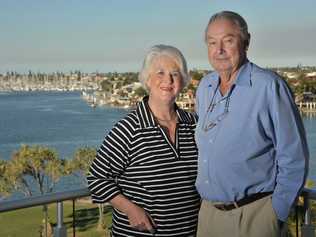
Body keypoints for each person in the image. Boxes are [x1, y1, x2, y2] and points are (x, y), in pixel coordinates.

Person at [195, 11, 309, 237]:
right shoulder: (205, 88)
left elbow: (294, 156)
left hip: (254, 216)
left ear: (246, 42)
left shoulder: (268, 87)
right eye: (212, 42)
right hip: (208, 215)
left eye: (228, 41)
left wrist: (276, 212)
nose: (219, 50)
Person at [87, 45, 200, 236]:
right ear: (147, 79)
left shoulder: (195, 125)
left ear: (183, 81)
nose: (168, 80)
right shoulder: (128, 128)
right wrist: (130, 209)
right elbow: (97, 179)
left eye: (175, 73)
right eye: (160, 73)